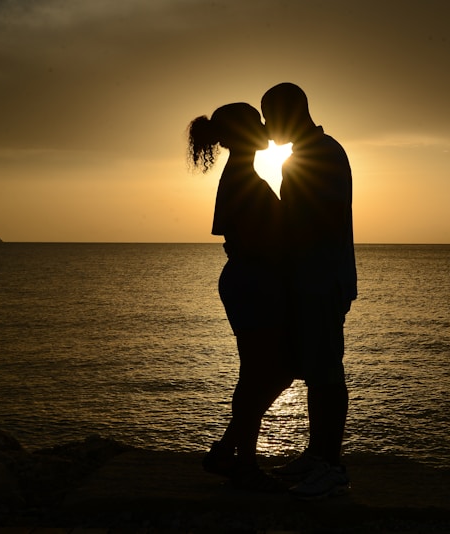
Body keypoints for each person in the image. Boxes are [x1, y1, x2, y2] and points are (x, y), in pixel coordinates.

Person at [187, 102, 293, 492]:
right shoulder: (241, 179)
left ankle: (229, 451)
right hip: (253, 281)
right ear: (244, 131)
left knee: (275, 371)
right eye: (257, 122)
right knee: (259, 374)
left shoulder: (242, 174)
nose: (266, 126)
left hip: (252, 280)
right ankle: (242, 463)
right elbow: (255, 240)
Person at [261, 83, 357, 500]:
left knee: (326, 372)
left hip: (322, 277)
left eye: (269, 117)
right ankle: (318, 456)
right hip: (311, 276)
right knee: (316, 370)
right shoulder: (305, 154)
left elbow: (324, 216)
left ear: (289, 112)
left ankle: (330, 466)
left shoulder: (322, 153)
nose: (265, 127)